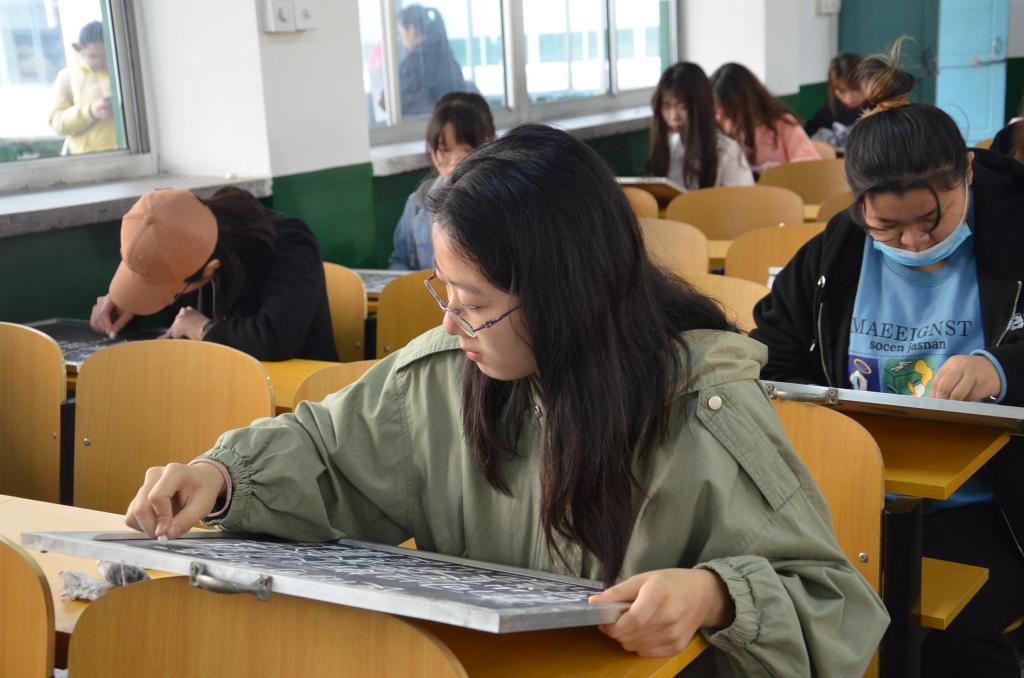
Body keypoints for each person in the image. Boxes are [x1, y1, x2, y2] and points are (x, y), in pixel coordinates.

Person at [125, 124, 887, 676]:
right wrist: (222, 477)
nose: (450, 325)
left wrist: (715, 594)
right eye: (446, 293)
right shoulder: (446, 375)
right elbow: (326, 451)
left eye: (475, 302)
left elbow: (836, 606)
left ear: (564, 293)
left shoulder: (700, 408)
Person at [750, 45, 1024, 677]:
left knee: (943, 632)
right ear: (859, 206)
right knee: (795, 617)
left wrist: (1003, 368)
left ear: (967, 173)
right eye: (888, 228)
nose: (914, 242)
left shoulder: (1017, 233)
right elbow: (772, 354)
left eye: (931, 220)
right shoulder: (835, 256)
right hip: (849, 496)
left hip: (994, 506)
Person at [89, 187, 337, 362]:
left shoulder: (290, 245)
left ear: (210, 269)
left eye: (171, 291)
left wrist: (203, 329)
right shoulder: (176, 226)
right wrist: (129, 302)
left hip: (297, 400)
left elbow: (275, 337)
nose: (170, 296)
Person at [389, 91, 495, 270]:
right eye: (445, 150)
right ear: (432, 151)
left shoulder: (499, 202)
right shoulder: (418, 204)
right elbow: (399, 261)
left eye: (466, 150)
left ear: (488, 144)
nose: (454, 161)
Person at [645, 62, 754, 191]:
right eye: (666, 106)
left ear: (701, 106)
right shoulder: (670, 146)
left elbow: (744, 201)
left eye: (682, 106)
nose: (673, 116)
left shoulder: (728, 152)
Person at [710, 63, 821, 173]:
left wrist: (775, 170)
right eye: (716, 112)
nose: (719, 118)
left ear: (747, 103)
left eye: (729, 112)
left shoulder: (781, 123)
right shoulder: (719, 129)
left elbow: (811, 164)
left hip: (782, 183)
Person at [49, 20, 117, 155]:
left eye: (105, 56)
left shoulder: (122, 70)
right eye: (93, 56)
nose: (100, 62)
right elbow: (56, 122)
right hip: (89, 158)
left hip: (126, 154)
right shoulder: (67, 77)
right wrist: (90, 112)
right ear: (80, 50)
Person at [397, 5, 467, 117]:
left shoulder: (409, 67)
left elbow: (402, 105)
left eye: (401, 34)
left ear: (412, 30)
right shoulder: (449, 60)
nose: (401, 40)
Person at [803, 53, 869, 150]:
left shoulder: (880, 108)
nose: (849, 98)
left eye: (855, 89)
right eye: (841, 91)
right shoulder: (829, 112)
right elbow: (805, 137)